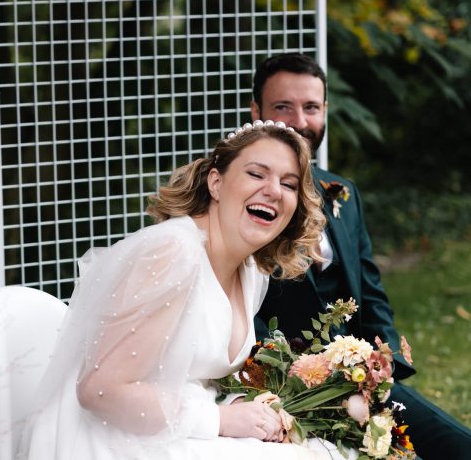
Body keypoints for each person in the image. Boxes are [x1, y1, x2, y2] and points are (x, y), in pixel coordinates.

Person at [18, 121, 340, 459]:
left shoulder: (250, 271)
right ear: (216, 183)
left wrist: (244, 406)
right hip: (109, 440)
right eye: (257, 174)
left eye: (288, 184)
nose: (273, 190)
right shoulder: (173, 253)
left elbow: (188, 376)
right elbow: (99, 391)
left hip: (171, 430)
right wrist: (220, 418)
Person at [251, 53, 471, 459]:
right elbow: (242, 316)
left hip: (365, 379)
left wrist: (383, 363)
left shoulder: (344, 194)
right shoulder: (245, 200)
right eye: (283, 107)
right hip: (289, 390)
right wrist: (301, 378)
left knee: (458, 446)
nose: (299, 121)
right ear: (256, 112)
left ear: (325, 112)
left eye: (311, 107)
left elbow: (370, 293)